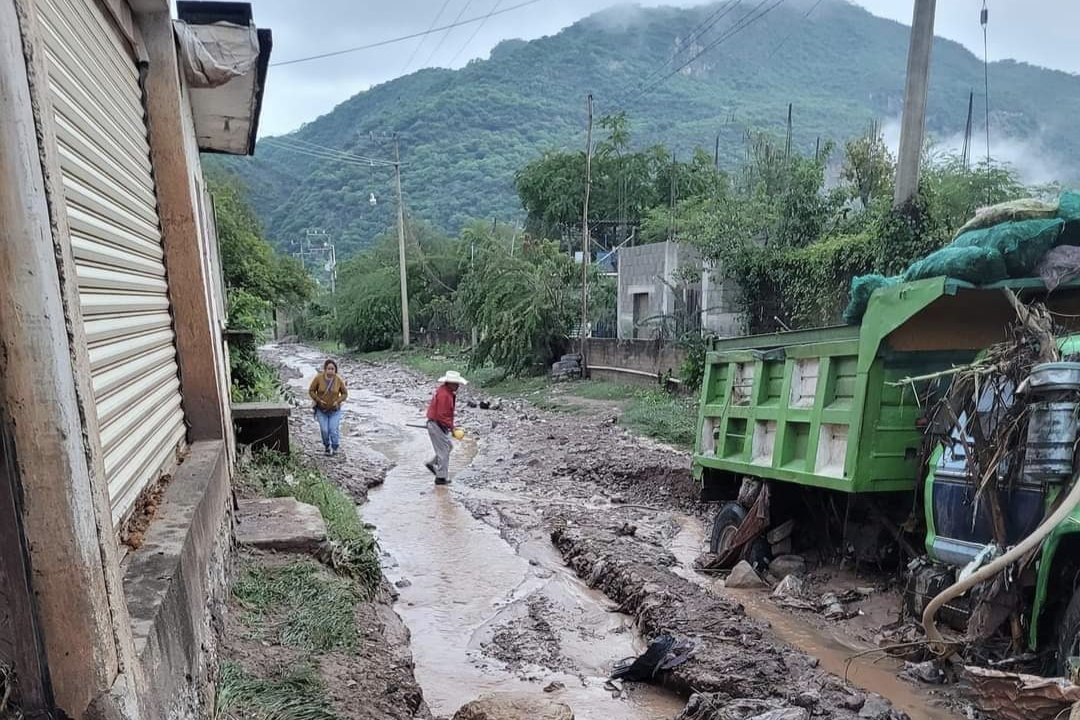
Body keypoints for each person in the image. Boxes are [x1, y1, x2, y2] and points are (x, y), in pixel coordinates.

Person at [425, 370, 467, 485]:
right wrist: (452, 428)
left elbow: (442, 415)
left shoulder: (444, 391)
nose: (458, 386)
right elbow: (442, 415)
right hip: (436, 424)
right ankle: (441, 478)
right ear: (450, 383)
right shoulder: (445, 395)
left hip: (435, 423)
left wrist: (450, 426)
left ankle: (433, 464)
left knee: (447, 447)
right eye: (456, 383)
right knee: (444, 451)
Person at [308, 359, 347, 456]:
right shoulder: (318, 378)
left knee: (333, 429)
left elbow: (345, 394)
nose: (330, 371)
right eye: (328, 369)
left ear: (335, 370)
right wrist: (318, 400)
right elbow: (311, 390)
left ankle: (335, 447)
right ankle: (326, 446)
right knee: (324, 430)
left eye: (332, 369)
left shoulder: (338, 380)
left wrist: (338, 401)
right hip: (322, 410)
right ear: (325, 369)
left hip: (335, 410)